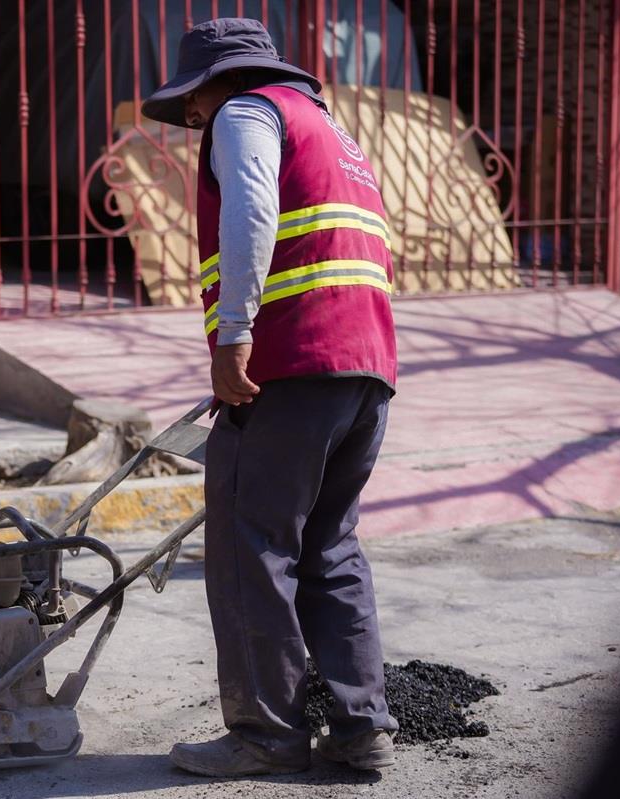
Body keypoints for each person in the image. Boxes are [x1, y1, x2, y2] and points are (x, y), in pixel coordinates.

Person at [140, 18, 399, 777]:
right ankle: (361, 729)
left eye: (191, 99)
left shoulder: (245, 114)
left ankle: (266, 732)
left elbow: (252, 212)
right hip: (365, 369)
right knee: (331, 545)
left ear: (220, 82)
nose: (191, 117)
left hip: (288, 366)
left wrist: (233, 336)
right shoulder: (331, 131)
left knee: (254, 545)